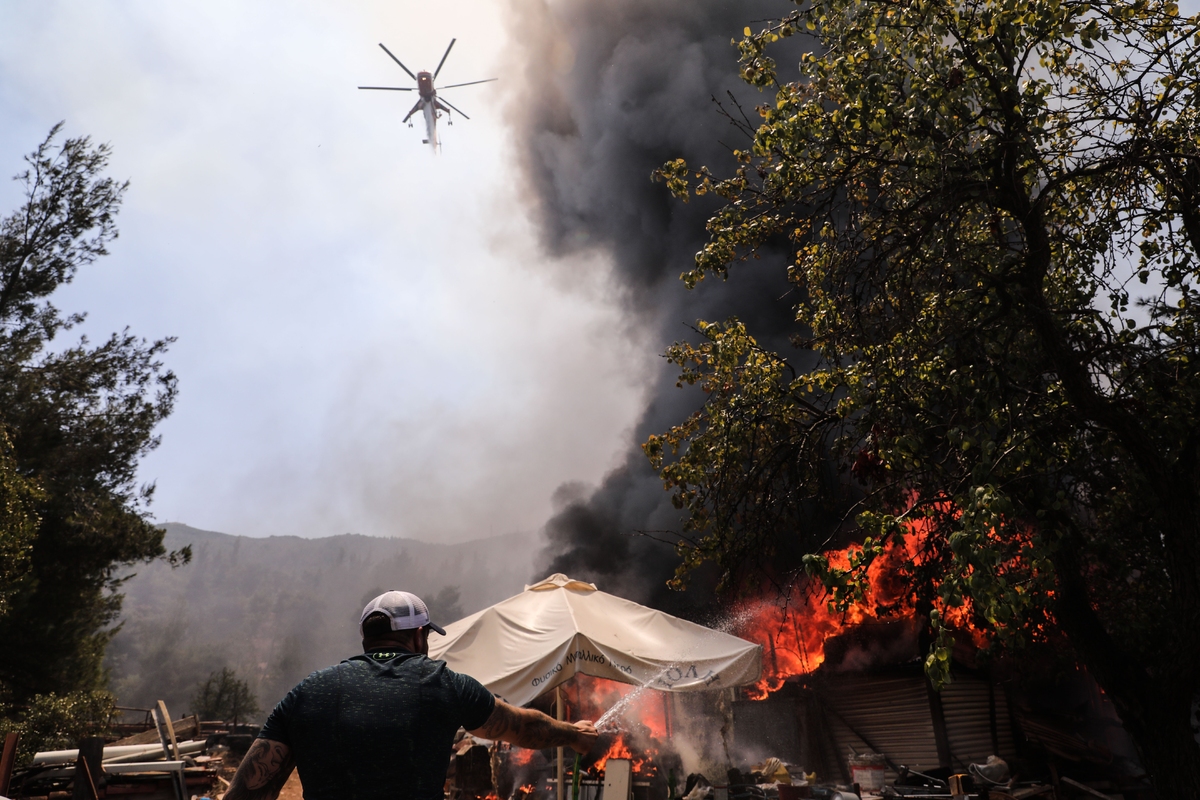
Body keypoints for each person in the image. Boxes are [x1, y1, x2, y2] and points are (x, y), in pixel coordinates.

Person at [224, 590, 599, 800]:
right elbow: (518, 726)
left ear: (366, 639)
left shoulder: (306, 693)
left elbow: (248, 791)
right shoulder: (445, 683)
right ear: (419, 636)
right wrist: (574, 734)